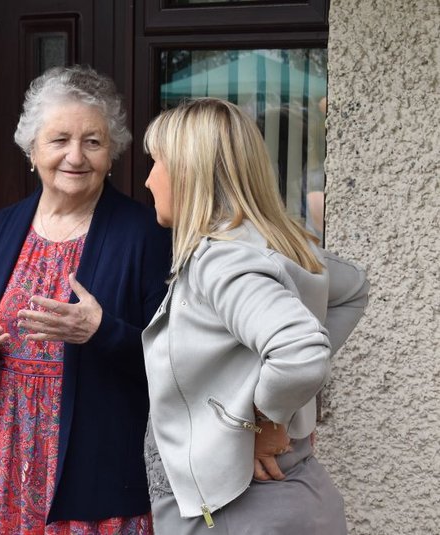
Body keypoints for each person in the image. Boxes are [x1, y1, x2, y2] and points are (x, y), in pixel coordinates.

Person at [0, 65, 171, 534]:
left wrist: (100, 332)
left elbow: (174, 359)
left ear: (112, 153)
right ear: (32, 149)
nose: (75, 156)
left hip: (97, 469)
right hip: (12, 460)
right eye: (59, 139)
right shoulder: (3, 228)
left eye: (93, 142)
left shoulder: (143, 233)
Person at [141, 97, 369, 534]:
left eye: (157, 163)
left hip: (239, 511)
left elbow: (300, 353)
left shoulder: (221, 260)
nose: (149, 179)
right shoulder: (277, 245)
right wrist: (278, 395)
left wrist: (270, 417)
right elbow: (351, 289)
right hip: (285, 502)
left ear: (189, 173)